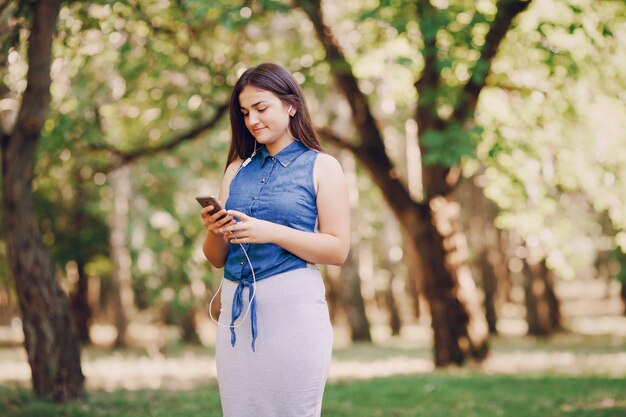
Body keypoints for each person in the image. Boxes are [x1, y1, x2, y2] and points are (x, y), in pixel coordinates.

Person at [200, 63, 350, 417]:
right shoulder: (236, 169)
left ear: (290, 105)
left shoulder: (322, 166)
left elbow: (338, 249)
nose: (252, 120)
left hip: (293, 310)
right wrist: (213, 228)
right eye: (244, 112)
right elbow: (216, 258)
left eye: (261, 108)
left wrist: (270, 233)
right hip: (236, 311)